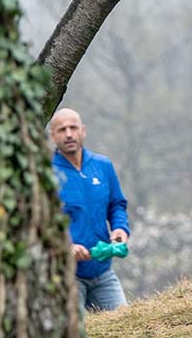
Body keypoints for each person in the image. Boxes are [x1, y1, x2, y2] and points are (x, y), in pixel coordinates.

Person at [49, 108, 131, 312]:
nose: (68, 134)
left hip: (103, 272)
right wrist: (66, 246)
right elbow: (41, 223)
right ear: (52, 136)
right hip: (67, 276)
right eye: (62, 129)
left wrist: (120, 228)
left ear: (83, 131)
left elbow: (117, 205)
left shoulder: (103, 166)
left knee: (124, 328)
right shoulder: (46, 174)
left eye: (73, 128)